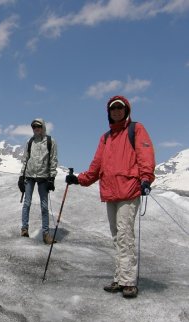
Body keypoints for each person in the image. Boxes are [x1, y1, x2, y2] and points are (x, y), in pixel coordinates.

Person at [65, 95, 155, 299]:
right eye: (113, 108)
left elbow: (145, 155)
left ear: (126, 110)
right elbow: (96, 167)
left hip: (129, 189)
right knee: (117, 237)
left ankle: (128, 281)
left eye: (120, 108)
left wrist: (146, 178)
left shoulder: (136, 129)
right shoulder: (105, 138)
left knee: (125, 235)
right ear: (109, 112)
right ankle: (120, 278)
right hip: (111, 192)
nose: (116, 111)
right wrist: (78, 179)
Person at [18, 118, 58, 244]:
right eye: (34, 126)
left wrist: (52, 178)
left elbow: (53, 160)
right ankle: (24, 230)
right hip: (29, 176)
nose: (36, 128)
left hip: (43, 177)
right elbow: (25, 160)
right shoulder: (30, 142)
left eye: (38, 126)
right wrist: (21, 177)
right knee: (27, 203)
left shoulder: (50, 142)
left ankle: (46, 234)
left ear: (43, 127)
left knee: (44, 206)